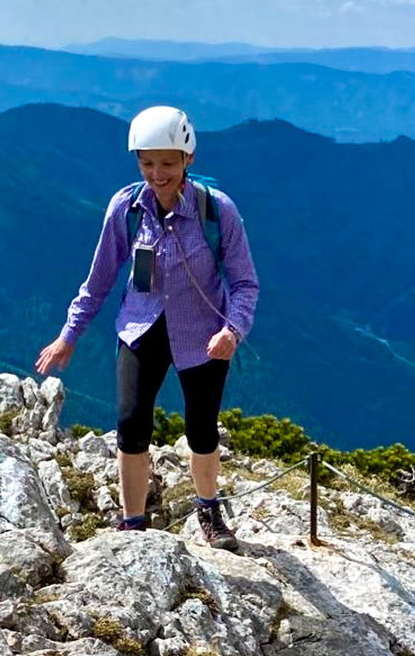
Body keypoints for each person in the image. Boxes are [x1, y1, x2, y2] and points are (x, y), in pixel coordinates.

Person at [35, 105, 259, 549]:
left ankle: (209, 514)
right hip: (140, 328)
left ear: (188, 160)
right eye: (147, 162)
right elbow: (99, 279)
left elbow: (245, 281)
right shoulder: (125, 209)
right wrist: (69, 335)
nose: (157, 174)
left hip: (205, 335)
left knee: (202, 427)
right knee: (131, 424)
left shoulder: (217, 212)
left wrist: (233, 331)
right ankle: (133, 522)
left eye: (168, 163)